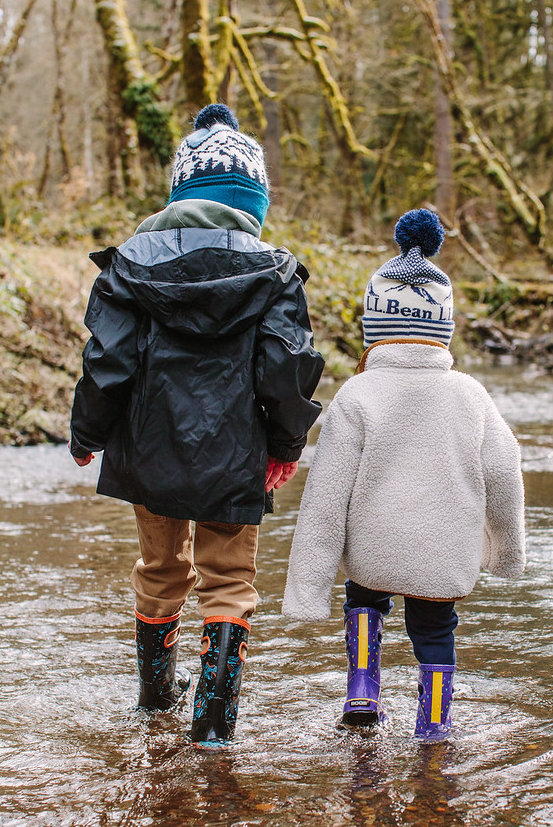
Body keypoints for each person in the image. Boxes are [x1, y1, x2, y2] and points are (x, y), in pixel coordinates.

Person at [69, 103, 324, 745]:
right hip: (237, 455)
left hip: (147, 451)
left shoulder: (129, 266)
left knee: (158, 569)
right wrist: (287, 445)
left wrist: (88, 435)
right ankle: (214, 725)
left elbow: (107, 362)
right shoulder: (276, 274)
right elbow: (287, 369)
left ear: (179, 193)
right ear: (254, 204)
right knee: (229, 579)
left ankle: (155, 700)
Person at [282, 209, 526, 740]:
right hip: (443, 548)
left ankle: (362, 689)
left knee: (365, 597)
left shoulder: (358, 393)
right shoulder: (469, 395)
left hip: (373, 547)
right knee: (437, 627)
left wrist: (307, 588)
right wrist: (506, 551)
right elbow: (505, 472)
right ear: (444, 329)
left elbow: (325, 496)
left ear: (375, 326)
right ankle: (435, 722)